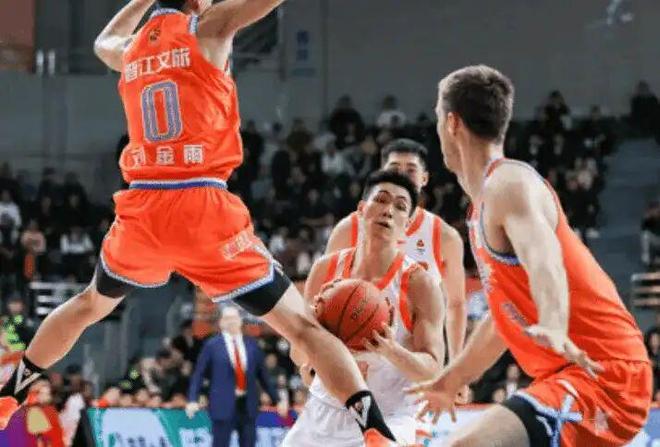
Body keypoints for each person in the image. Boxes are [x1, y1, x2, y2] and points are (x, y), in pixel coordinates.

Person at [0, 1, 399, 445]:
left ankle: (10, 392)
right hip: (200, 202)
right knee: (302, 326)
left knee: (89, 305)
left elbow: (101, 43)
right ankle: (373, 427)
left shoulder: (132, 49)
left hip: (144, 206)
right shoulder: (206, 27)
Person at [407, 65, 652, 447]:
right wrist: (451, 379)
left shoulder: (509, 183)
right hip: (570, 376)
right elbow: (503, 318)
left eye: (439, 119)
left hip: (604, 375)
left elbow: (545, 258)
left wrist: (553, 322)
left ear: (452, 123)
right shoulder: (481, 208)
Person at [283, 170, 445, 446]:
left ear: (407, 225)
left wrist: (390, 350)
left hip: (389, 415)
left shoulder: (420, 284)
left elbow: (433, 371)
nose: (388, 211)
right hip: (326, 408)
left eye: (400, 206)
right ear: (361, 209)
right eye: (381, 200)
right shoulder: (326, 269)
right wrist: (316, 332)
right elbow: (298, 355)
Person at [326, 139, 466, 378]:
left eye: (410, 170)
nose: (402, 175)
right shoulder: (349, 228)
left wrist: (456, 370)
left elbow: (456, 304)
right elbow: (326, 295)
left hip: (412, 365)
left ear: (424, 178)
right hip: (355, 360)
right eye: (394, 169)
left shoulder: (444, 236)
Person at [186, 306, 279, 447]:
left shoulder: (252, 345)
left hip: (248, 405)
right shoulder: (212, 345)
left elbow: (263, 376)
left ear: (240, 321)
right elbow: (199, 374)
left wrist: (277, 399)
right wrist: (193, 399)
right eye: (227, 318)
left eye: (234, 318)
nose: (231, 321)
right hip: (222, 405)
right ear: (221, 322)